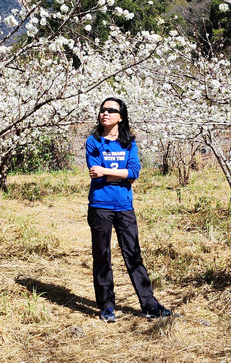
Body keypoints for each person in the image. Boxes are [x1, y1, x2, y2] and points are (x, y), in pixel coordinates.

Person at [85, 97, 172, 322]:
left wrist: (107, 173)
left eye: (111, 110)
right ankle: (106, 305)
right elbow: (95, 171)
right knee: (102, 255)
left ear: (120, 117)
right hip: (100, 206)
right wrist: (117, 174)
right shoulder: (93, 141)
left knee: (133, 254)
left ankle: (149, 304)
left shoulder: (128, 142)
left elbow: (134, 172)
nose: (105, 113)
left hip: (124, 206)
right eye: (103, 109)